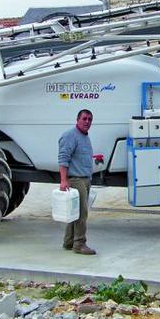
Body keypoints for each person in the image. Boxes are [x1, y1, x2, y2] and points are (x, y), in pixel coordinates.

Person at [58, 109, 96, 255]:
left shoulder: (84, 136)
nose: (87, 122)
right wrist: (63, 180)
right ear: (77, 120)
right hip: (75, 179)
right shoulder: (70, 136)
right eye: (84, 119)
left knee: (74, 212)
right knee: (81, 213)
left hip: (85, 179)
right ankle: (79, 243)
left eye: (90, 119)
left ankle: (69, 241)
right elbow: (63, 158)